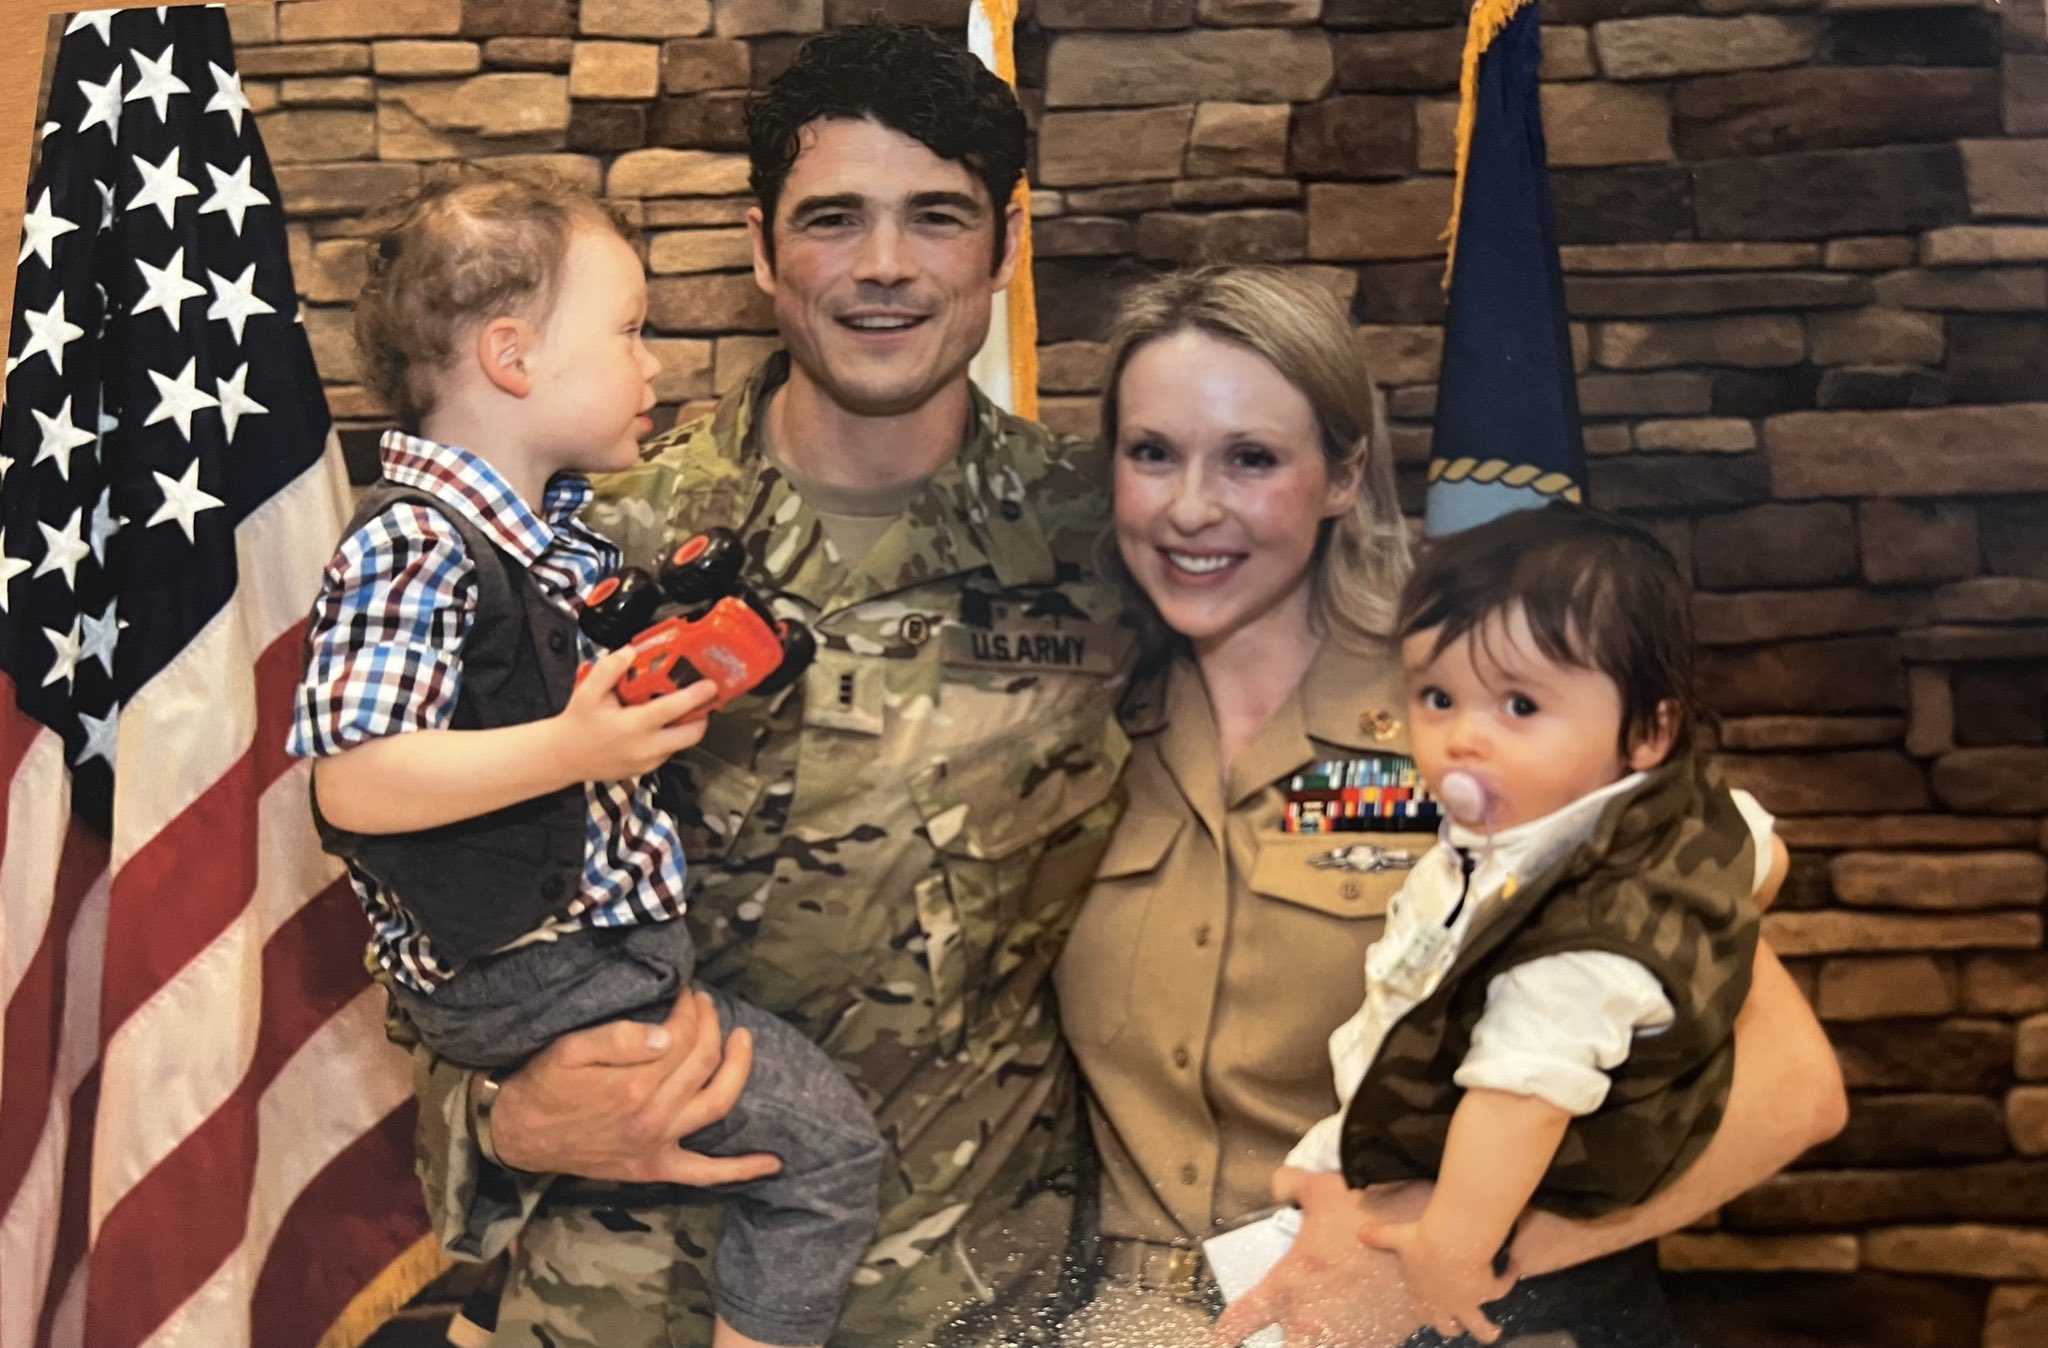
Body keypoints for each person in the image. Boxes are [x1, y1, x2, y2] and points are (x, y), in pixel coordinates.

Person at [395, 24, 1132, 1347]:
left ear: (1006, 248)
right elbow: (423, 895)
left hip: (980, 1301)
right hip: (621, 1302)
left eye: (939, 218)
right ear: (759, 246)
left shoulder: (1118, 545)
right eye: (834, 217)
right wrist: (492, 1118)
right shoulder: (581, 548)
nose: (887, 266)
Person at [1051, 266, 1847, 1347]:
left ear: (1341, 476)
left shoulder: (1485, 720)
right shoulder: (1074, 733)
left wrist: (1458, 1252)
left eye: (1250, 458)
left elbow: (1792, 1092)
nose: (1191, 506)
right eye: (1152, 453)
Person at [289, 172, 885, 1348]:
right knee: (828, 1154)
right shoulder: (415, 546)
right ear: (511, 357)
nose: (652, 364)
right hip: (543, 968)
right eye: (628, 332)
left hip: (593, 957)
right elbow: (350, 777)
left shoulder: (555, 535)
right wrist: (573, 747)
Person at [1275, 503, 1787, 1345]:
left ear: (1648, 732)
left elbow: (1520, 1102)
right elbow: (1759, 843)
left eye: (1519, 705)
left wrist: (1451, 1249)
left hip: (1496, 1267)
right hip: (1402, 1151)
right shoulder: (1599, 819)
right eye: (1438, 698)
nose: (1464, 738)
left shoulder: (1581, 931)